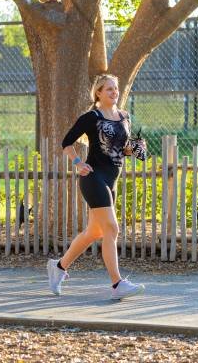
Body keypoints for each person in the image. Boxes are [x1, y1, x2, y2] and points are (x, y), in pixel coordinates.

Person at [47, 74, 147, 300]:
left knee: (94, 232)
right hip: (93, 178)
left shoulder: (124, 116)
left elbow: (121, 148)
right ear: (98, 93)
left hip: (111, 180)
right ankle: (117, 284)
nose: (114, 92)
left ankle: (59, 267)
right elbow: (66, 142)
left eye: (116, 88)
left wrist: (135, 148)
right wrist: (77, 162)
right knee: (112, 228)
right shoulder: (92, 117)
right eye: (109, 89)